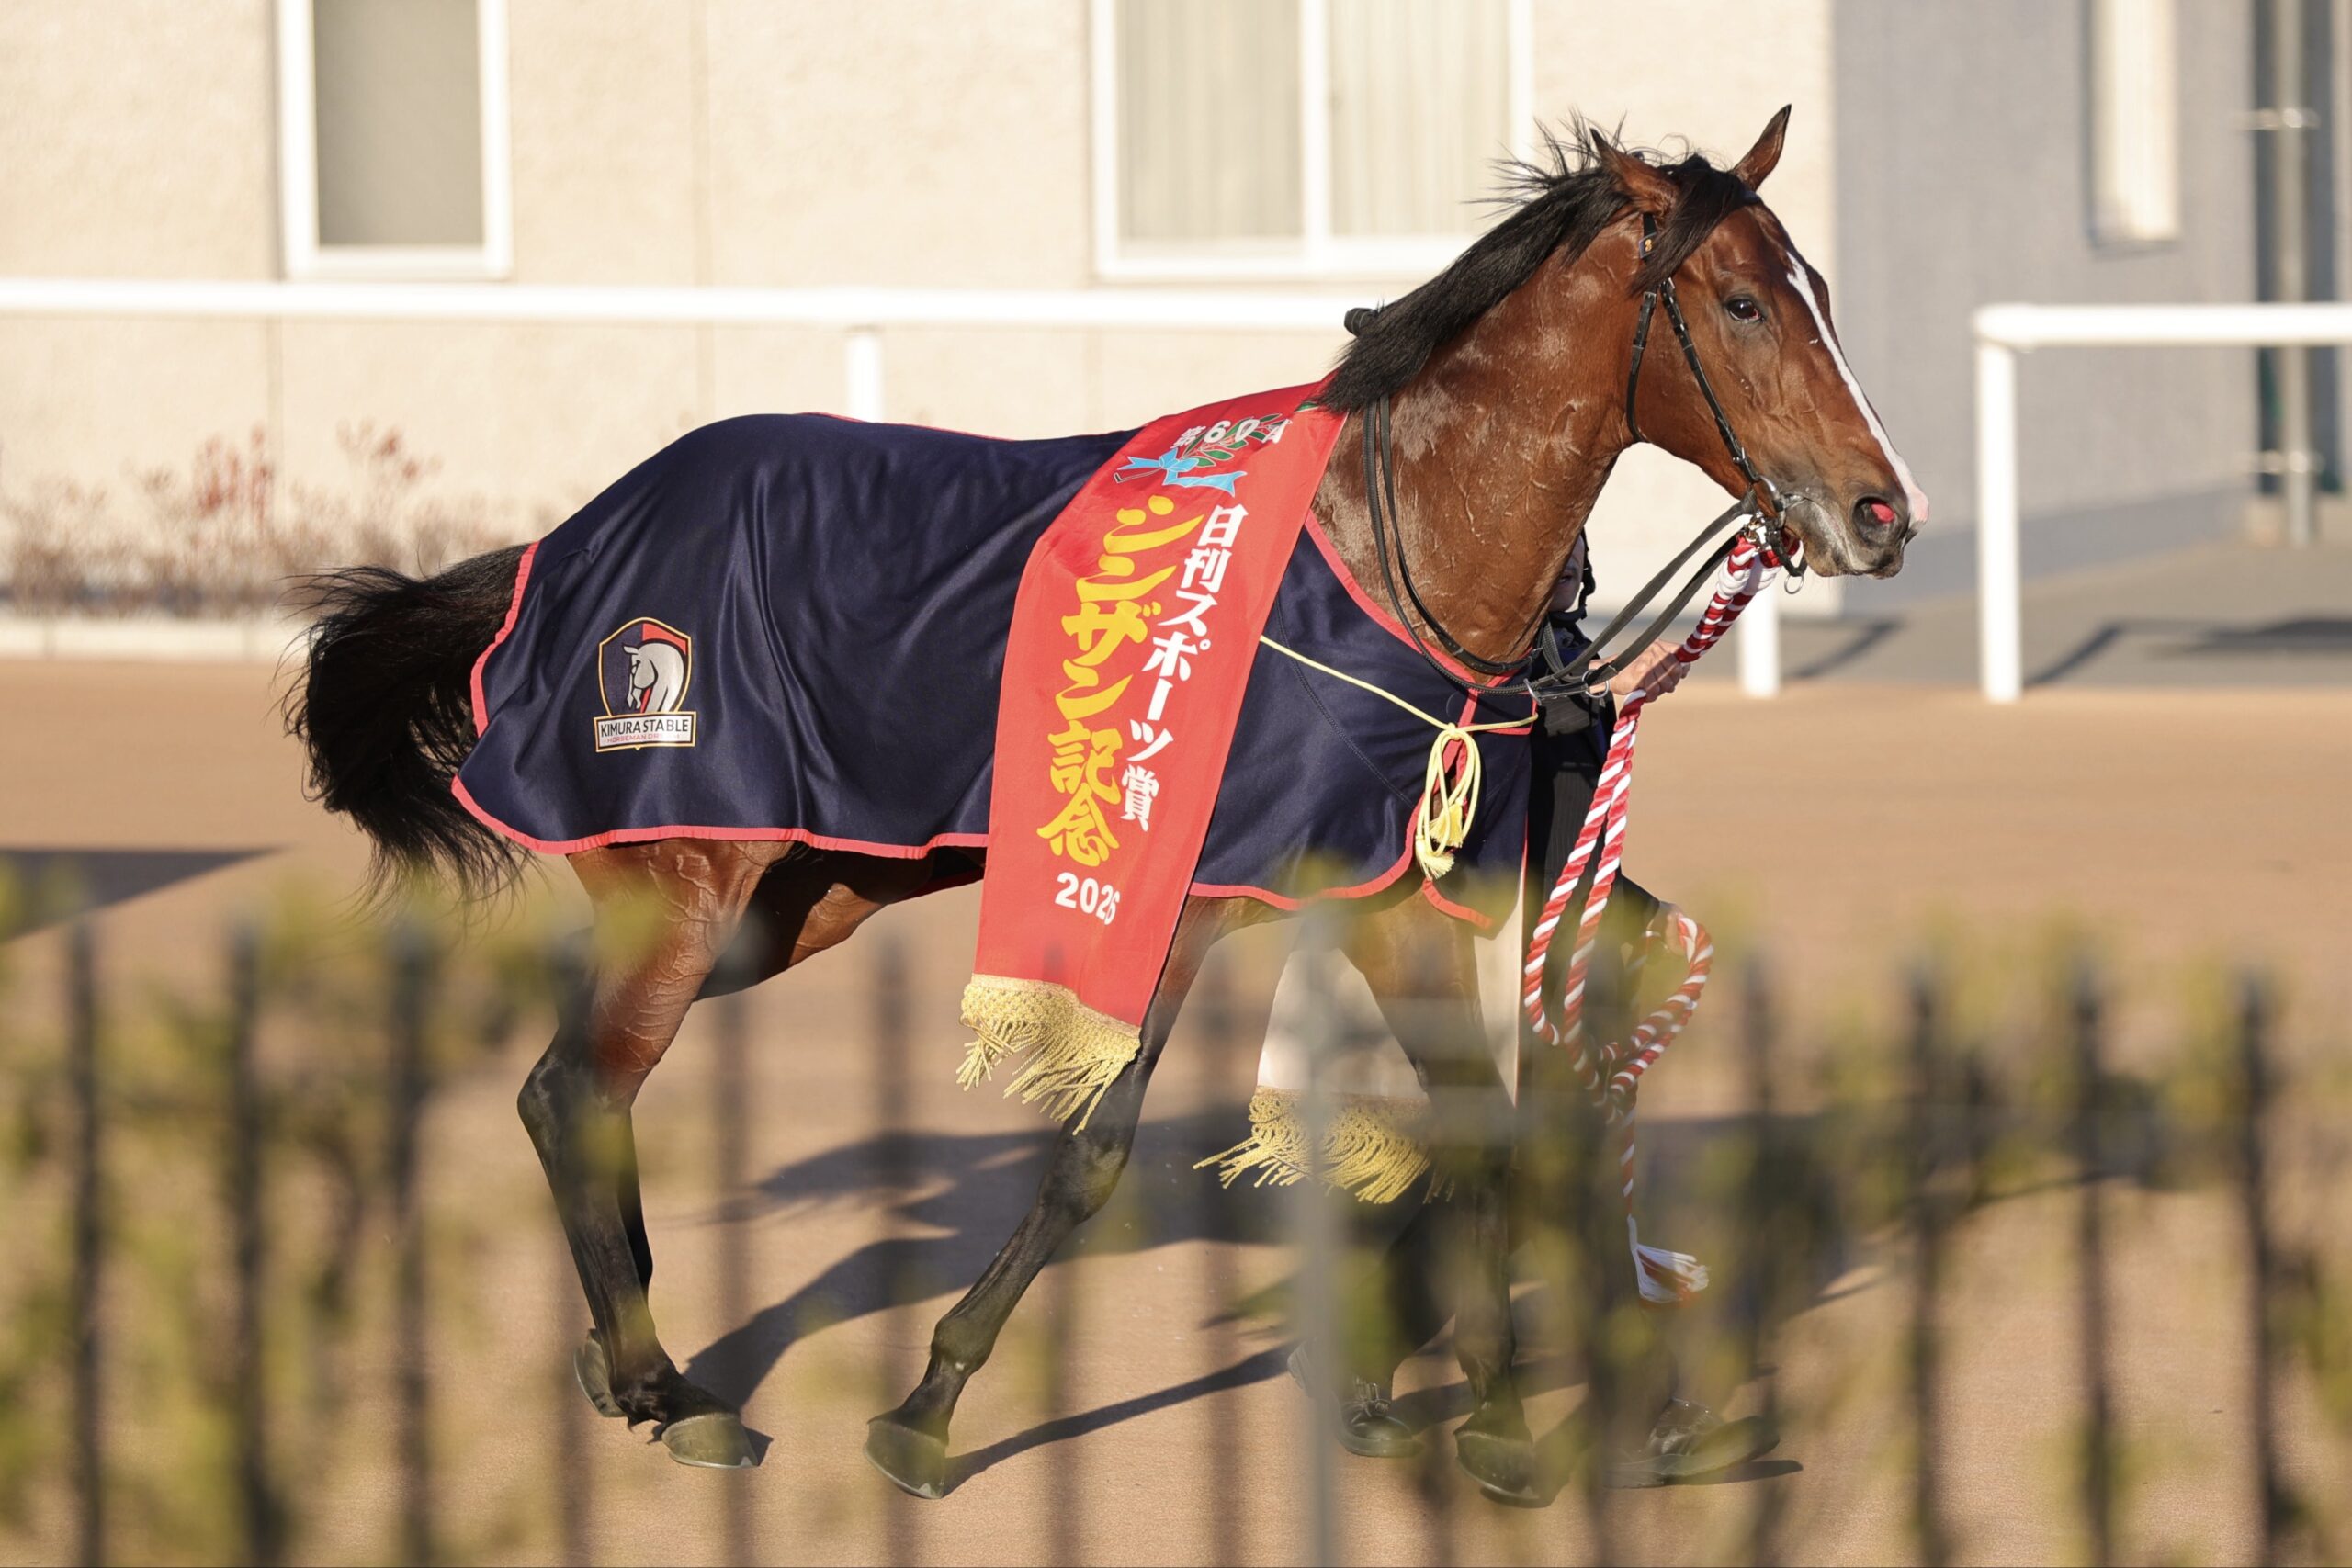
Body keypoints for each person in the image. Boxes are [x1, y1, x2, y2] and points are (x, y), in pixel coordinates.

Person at [1274, 534, 1773, 1493]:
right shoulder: (1445, 681)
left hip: (1548, 963)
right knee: (1508, 1173)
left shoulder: (1563, 664)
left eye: (1570, 552)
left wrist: (1634, 911)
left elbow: (1565, 829)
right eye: (1552, 552)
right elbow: (1447, 835)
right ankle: (1524, 1399)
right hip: (1457, 966)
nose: (1567, 564)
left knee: (1503, 1176)